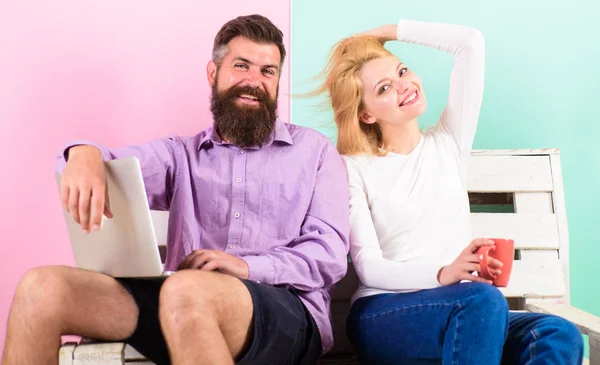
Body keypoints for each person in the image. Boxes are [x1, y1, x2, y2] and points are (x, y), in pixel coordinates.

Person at [2, 14, 350, 365]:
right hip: (178, 305)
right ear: (213, 73)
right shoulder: (180, 155)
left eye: (267, 71)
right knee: (41, 288)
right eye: (241, 65)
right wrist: (82, 153)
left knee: (188, 289)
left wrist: (246, 266)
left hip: (285, 312)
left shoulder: (316, 152)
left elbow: (329, 256)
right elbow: (103, 163)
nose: (254, 81)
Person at [314, 18, 583, 364]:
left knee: (557, 334)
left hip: (462, 307)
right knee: (481, 301)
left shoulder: (448, 143)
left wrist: (383, 33)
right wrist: (445, 272)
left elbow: (470, 43)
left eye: (402, 71)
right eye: (383, 88)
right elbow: (369, 267)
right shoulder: (353, 166)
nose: (403, 85)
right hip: (383, 312)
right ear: (365, 115)